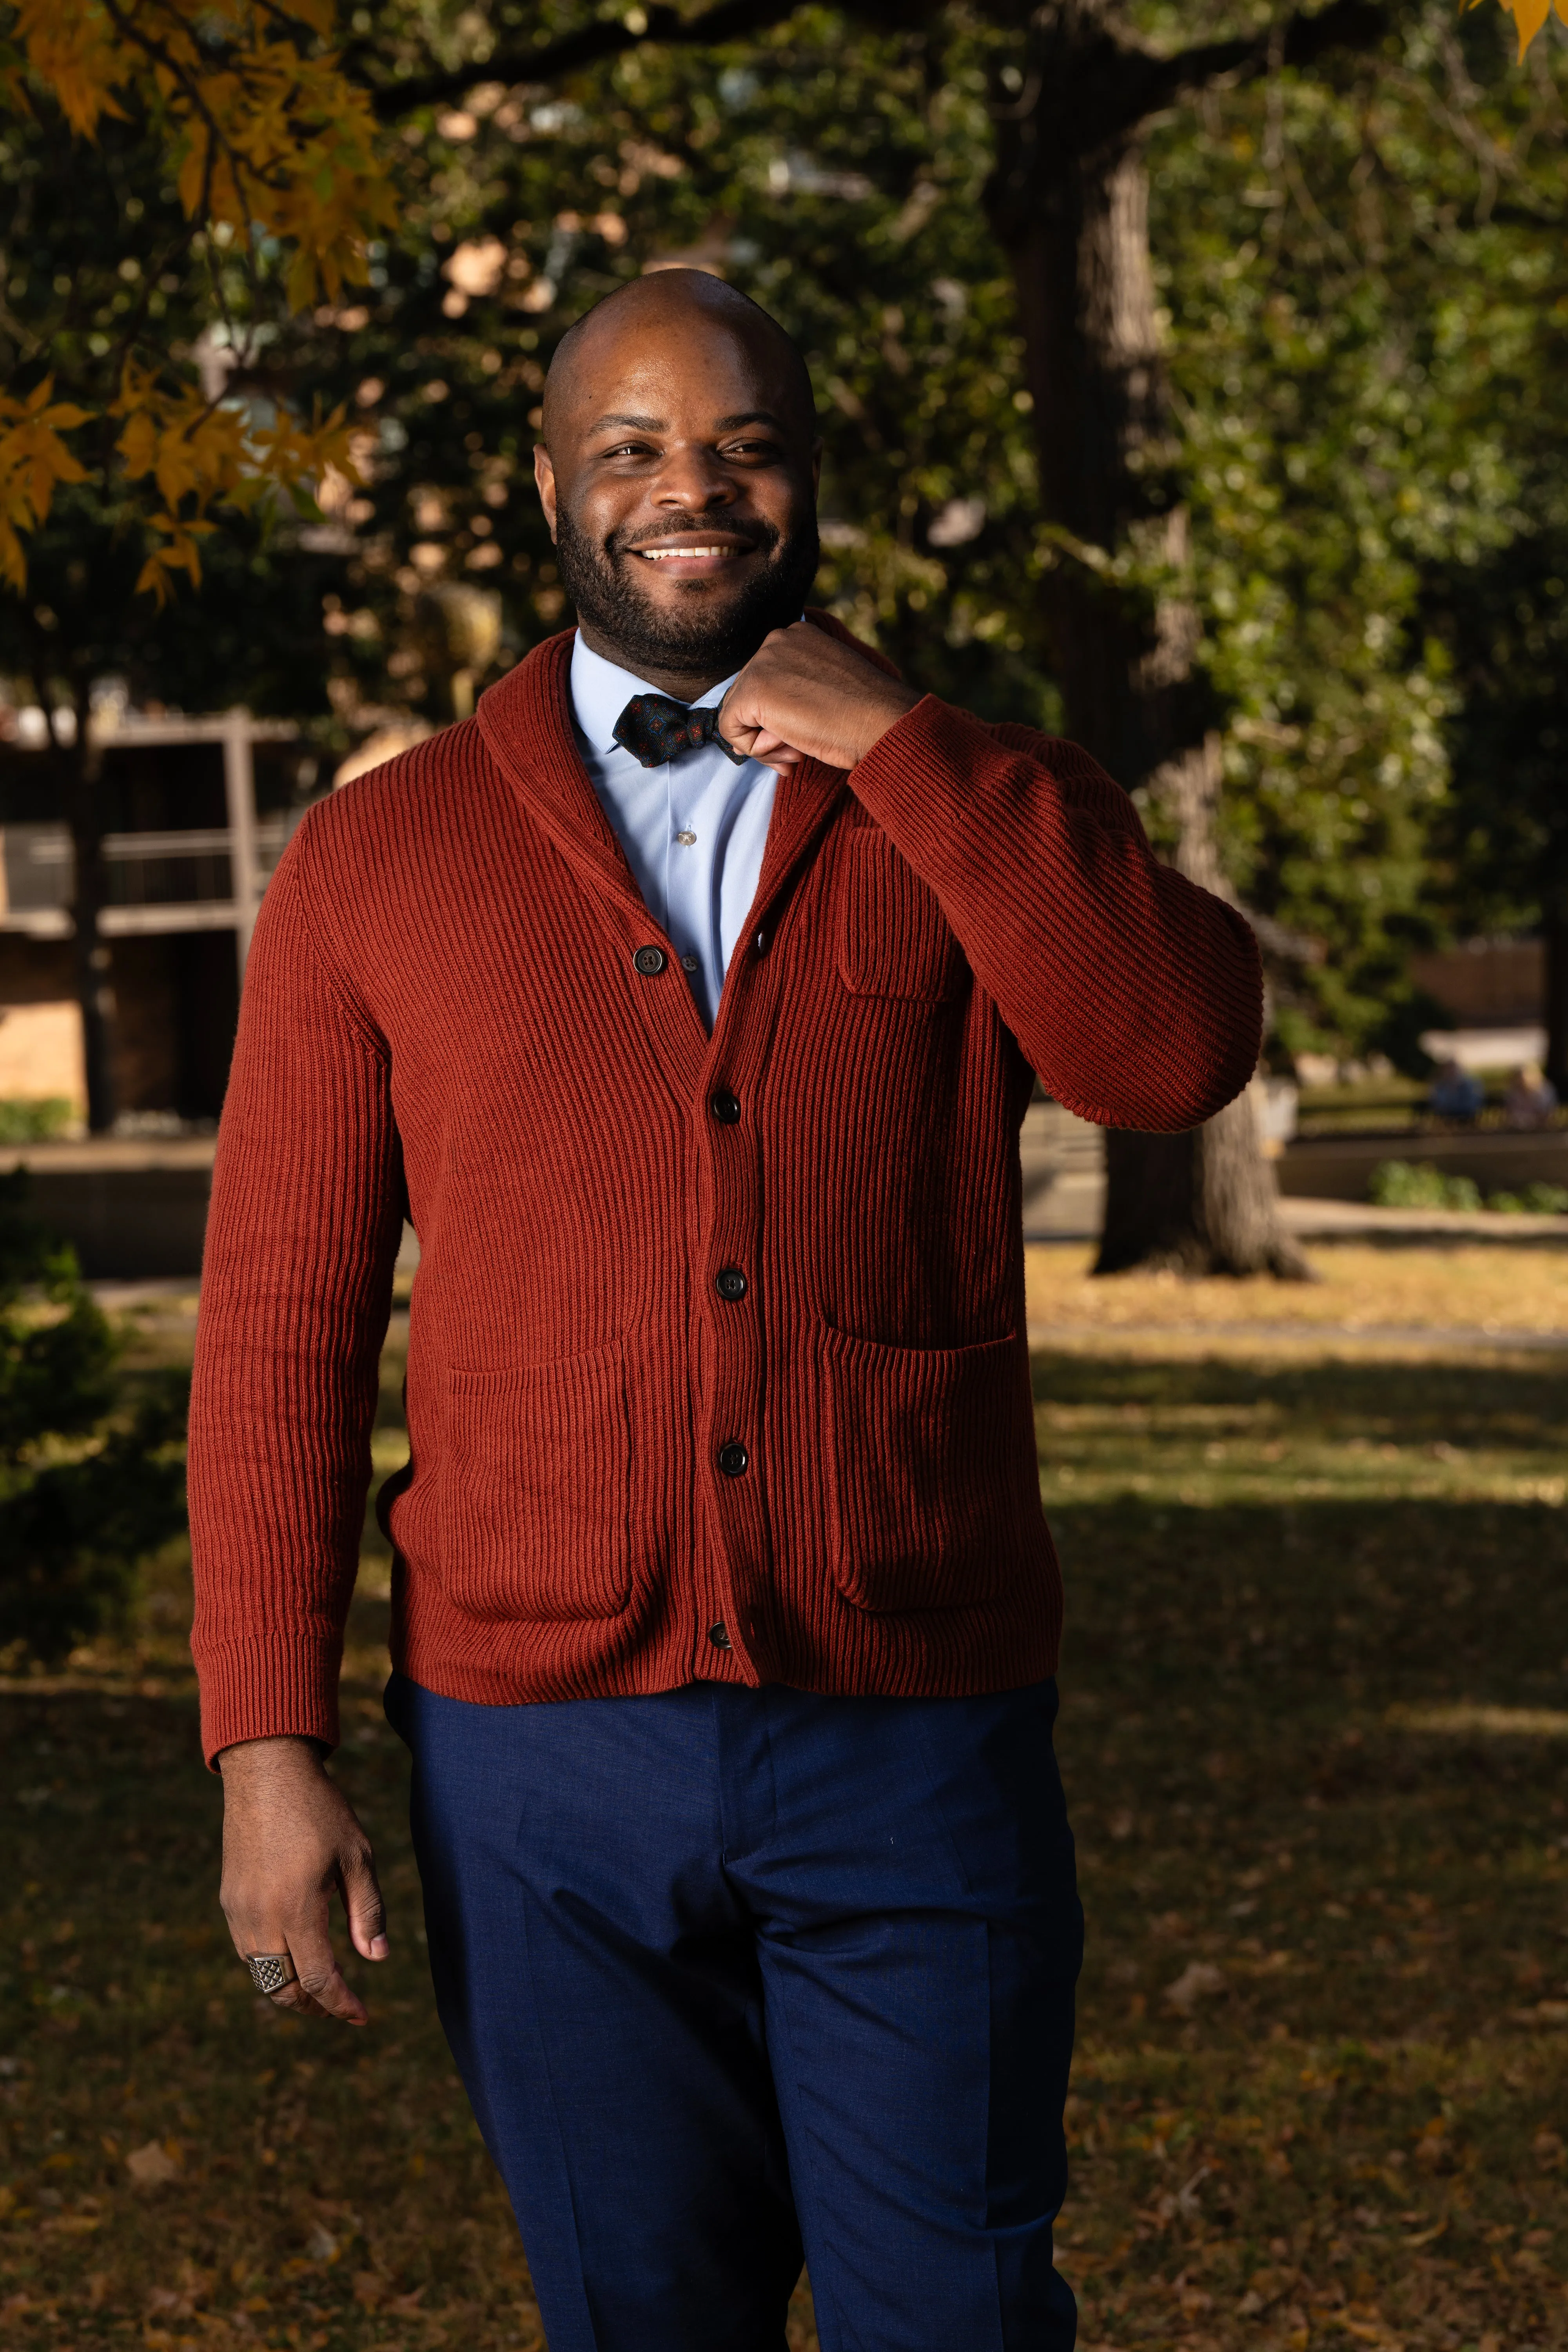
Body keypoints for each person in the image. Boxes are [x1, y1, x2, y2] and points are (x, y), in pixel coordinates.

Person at [190, 271, 1262, 2352]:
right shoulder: (373, 857)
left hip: (914, 1720)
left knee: (953, 2314)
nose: (692, 492)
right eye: (632, 449)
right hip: (537, 1761)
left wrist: (906, 749)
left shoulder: (974, 800)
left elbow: (1170, 1058)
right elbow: (282, 1326)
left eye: (742, 444)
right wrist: (264, 1742)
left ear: (807, 473)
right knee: (636, 2319)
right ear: (548, 487)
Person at [1428, 1055, 1484, 1123]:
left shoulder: (1469, 1085)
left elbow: (1473, 1105)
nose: (1450, 1072)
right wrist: (1451, 1092)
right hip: (1447, 1121)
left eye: (1452, 1069)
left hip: (1467, 1119)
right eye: (1447, 1070)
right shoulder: (1441, 1086)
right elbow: (1439, 1106)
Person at [1504, 1060, 1557, 1130]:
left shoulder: (1544, 1092)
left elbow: (1546, 1113)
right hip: (1518, 1129)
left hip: (1542, 1128)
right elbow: (1511, 1114)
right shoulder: (1513, 1093)